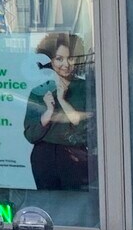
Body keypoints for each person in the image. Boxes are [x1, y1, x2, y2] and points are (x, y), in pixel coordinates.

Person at [22, 31, 93, 191]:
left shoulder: (86, 88)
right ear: (50, 60)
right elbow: (30, 135)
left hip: (76, 157)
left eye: (71, 58)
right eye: (59, 59)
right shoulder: (39, 92)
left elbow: (85, 130)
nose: (66, 64)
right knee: (48, 201)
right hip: (43, 158)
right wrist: (48, 113)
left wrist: (62, 100)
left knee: (76, 202)